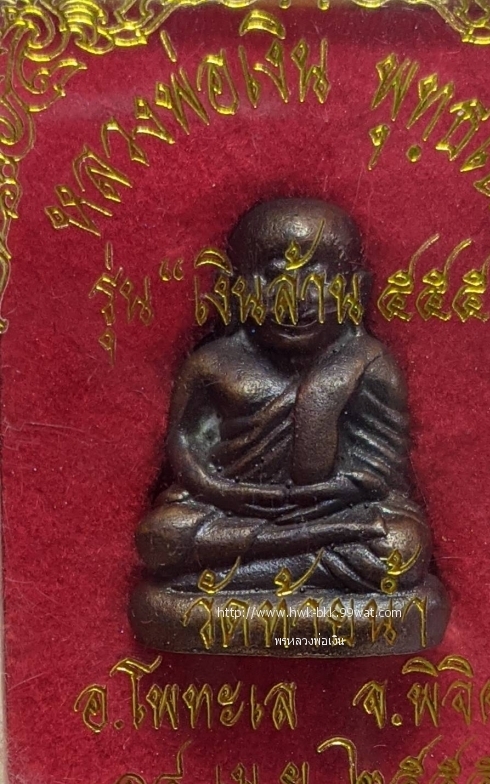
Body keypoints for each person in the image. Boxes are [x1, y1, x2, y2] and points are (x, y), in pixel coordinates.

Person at [135, 198, 432, 595]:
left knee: (402, 545)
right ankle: (298, 557)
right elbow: (185, 443)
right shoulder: (212, 363)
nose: (295, 299)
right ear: (234, 288)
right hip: (236, 507)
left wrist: (334, 495)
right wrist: (225, 492)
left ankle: (231, 575)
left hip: (333, 510)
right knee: (161, 535)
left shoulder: (369, 363)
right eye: (274, 277)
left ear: (355, 290)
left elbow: (383, 468)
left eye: (317, 280)